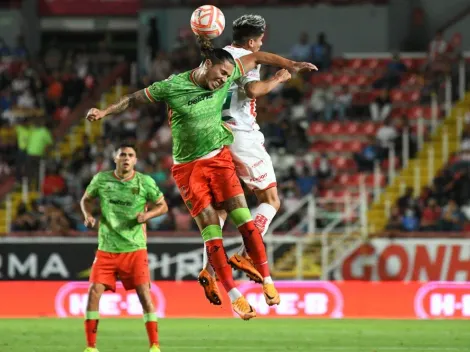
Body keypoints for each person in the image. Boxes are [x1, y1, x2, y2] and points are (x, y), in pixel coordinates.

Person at [86, 37, 316, 321]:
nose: (222, 81)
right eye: (219, 75)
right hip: (187, 169)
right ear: (207, 65)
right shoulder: (172, 86)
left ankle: (268, 282)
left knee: (245, 220)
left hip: (219, 159)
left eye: (226, 77)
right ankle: (235, 297)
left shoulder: (228, 69)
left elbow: (258, 59)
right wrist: (105, 111)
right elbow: (134, 99)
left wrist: (290, 65)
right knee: (212, 232)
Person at [197, 14, 291, 304]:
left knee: (222, 208)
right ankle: (246, 254)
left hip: (213, 135)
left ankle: (210, 270)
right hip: (241, 135)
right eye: (261, 39)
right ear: (252, 41)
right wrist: (278, 78)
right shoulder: (249, 58)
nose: (262, 43)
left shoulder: (217, 58)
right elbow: (252, 90)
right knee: (270, 198)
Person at [80, 144, 168, 352]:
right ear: (115, 159)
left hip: (135, 248)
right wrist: (88, 215)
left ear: (135, 160)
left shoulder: (145, 182)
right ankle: (91, 347)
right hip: (107, 247)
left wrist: (147, 216)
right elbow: (86, 199)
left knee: (144, 295)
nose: (126, 158)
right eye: (122, 155)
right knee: (93, 292)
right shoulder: (102, 180)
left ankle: (154, 346)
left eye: (130, 155)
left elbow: (163, 206)